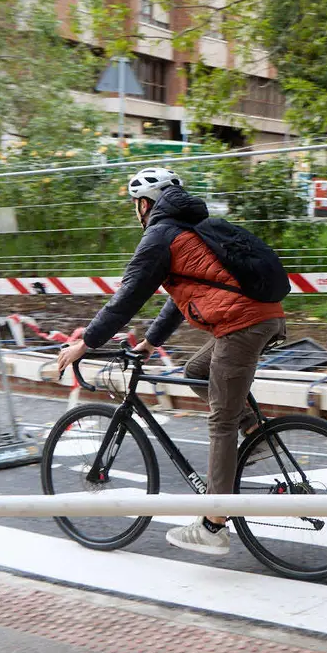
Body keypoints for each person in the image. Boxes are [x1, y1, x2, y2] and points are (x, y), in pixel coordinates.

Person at [56, 167, 287, 556]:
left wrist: (86, 343)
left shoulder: (159, 235)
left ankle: (213, 525)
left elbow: (128, 296)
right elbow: (179, 299)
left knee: (220, 420)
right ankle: (256, 435)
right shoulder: (190, 231)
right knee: (196, 371)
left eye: (135, 205)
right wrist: (149, 342)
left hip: (242, 324)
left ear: (144, 204)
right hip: (261, 316)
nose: (136, 211)